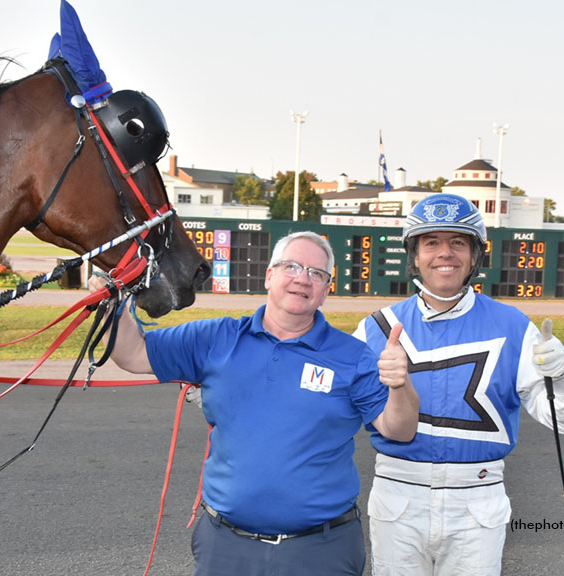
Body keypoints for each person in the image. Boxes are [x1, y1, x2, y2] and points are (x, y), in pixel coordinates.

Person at [89, 230, 419, 576]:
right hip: (227, 546)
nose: (302, 278)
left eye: (316, 273)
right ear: (269, 276)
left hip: (320, 551)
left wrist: (400, 384)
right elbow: (135, 353)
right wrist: (109, 301)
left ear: (325, 290)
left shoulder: (353, 356)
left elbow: (399, 429)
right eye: (291, 266)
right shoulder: (215, 338)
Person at [352, 193, 564, 576]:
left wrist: (563, 375)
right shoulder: (374, 328)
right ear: (414, 254)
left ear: (475, 255)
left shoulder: (514, 327)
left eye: (457, 242)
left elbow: (563, 421)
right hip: (398, 494)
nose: (445, 253)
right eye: (432, 243)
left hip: (478, 499)